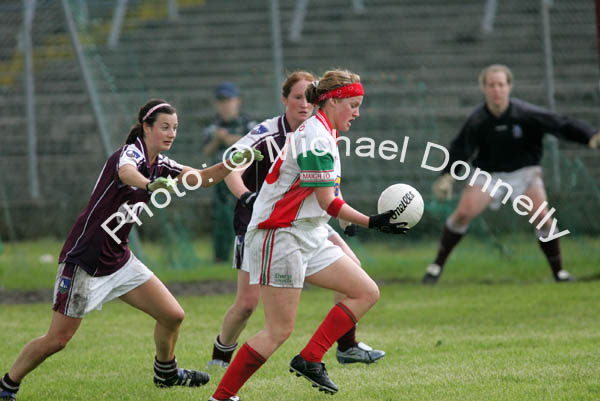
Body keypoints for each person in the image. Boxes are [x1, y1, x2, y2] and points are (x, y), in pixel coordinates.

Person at [0, 99, 261, 401]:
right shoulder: (131, 153)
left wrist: (234, 161)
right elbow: (126, 173)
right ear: (146, 127)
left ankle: (166, 372)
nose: (171, 133)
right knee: (58, 339)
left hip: (119, 258)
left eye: (175, 128)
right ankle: (7, 384)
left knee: (172, 315)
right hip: (85, 260)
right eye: (164, 127)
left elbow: (201, 178)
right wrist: (150, 186)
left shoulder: (161, 163)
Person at [208, 69, 408, 401]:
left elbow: (325, 197)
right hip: (280, 235)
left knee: (365, 291)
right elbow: (327, 201)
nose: (358, 113)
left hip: (307, 232)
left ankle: (311, 358)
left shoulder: (324, 131)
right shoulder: (315, 137)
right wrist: (374, 222)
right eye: (354, 105)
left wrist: (358, 221)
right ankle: (221, 397)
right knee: (278, 330)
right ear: (332, 102)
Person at [422, 64, 600, 285]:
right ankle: (436, 267)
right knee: (462, 213)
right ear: (484, 88)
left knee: (543, 218)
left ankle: (559, 273)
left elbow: (560, 124)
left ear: (509, 87)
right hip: (488, 175)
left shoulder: (525, 114)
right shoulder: (478, 119)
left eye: (501, 84)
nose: (497, 89)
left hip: (524, 174)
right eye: (491, 85)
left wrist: (589, 135)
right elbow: (461, 148)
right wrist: (446, 175)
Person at [203, 82, 258, 263]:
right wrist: (218, 140)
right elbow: (206, 151)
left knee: (245, 216)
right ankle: (220, 258)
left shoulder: (248, 123)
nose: (226, 105)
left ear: (237, 101)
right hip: (220, 178)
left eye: (229, 100)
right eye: (222, 101)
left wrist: (230, 139)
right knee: (221, 218)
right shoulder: (213, 126)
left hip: (244, 178)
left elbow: (256, 144)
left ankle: (247, 256)